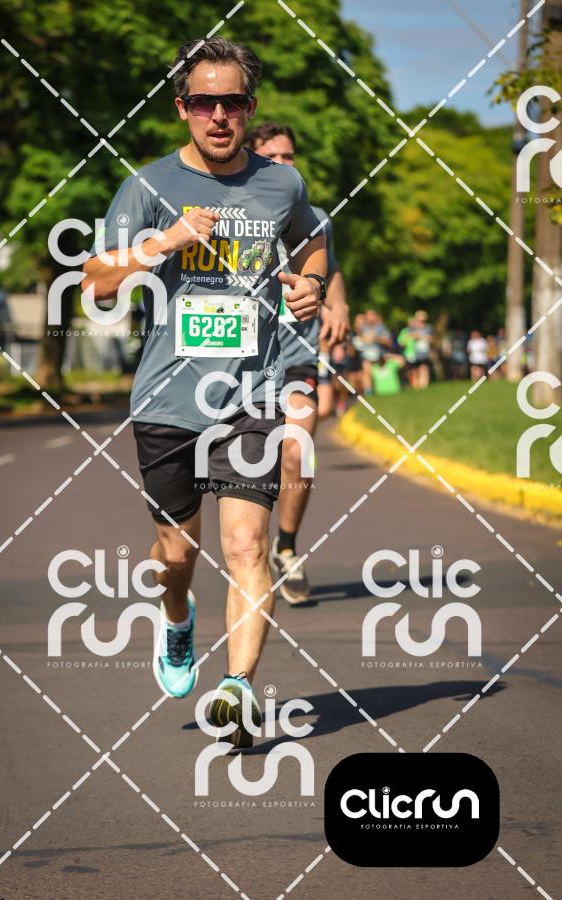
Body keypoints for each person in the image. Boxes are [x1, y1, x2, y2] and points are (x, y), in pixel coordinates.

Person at [83, 38, 327, 748]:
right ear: (182, 108)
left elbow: (314, 239)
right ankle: (177, 617)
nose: (219, 116)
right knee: (176, 554)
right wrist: (163, 243)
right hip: (167, 399)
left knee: (247, 543)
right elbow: (96, 281)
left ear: (250, 107)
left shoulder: (282, 184)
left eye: (233, 102)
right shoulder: (147, 185)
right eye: (203, 102)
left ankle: (239, 688)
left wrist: (311, 284)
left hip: (251, 395)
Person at [245, 122, 349, 606]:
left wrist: (338, 304)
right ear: (253, 158)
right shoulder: (236, 213)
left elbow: (331, 268)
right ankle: (247, 547)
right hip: (243, 358)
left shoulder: (317, 218)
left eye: (290, 156)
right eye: (273, 157)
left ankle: (285, 547)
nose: (284, 165)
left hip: (297, 355)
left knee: (298, 449)